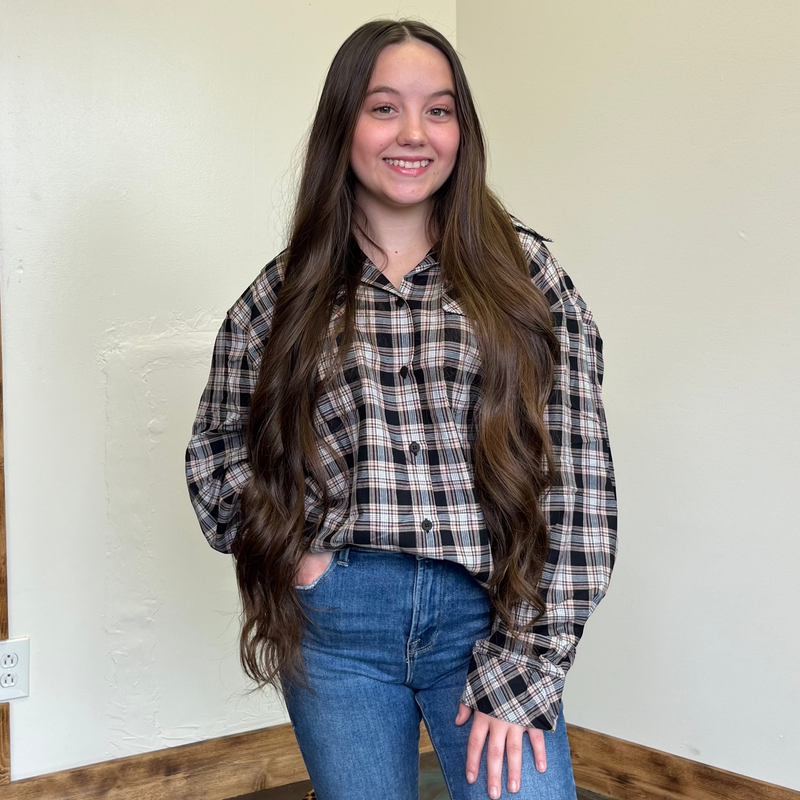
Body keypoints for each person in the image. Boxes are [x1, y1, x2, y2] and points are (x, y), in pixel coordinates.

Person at [185, 17, 617, 800]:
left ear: (462, 131)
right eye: (384, 107)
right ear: (343, 125)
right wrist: (295, 552)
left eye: (438, 110)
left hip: (488, 616)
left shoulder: (526, 278)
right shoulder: (281, 295)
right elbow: (217, 455)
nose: (414, 133)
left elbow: (577, 478)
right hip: (337, 627)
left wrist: (530, 658)